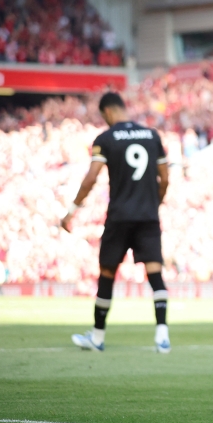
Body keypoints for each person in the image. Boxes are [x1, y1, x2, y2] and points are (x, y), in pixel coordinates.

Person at [62, 92, 171, 353]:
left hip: (120, 216)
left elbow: (90, 179)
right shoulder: (152, 136)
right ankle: (162, 336)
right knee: (155, 273)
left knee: (107, 275)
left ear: (107, 112)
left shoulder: (106, 139)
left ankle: (97, 338)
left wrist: (72, 210)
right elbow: (164, 179)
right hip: (147, 216)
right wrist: (156, 203)